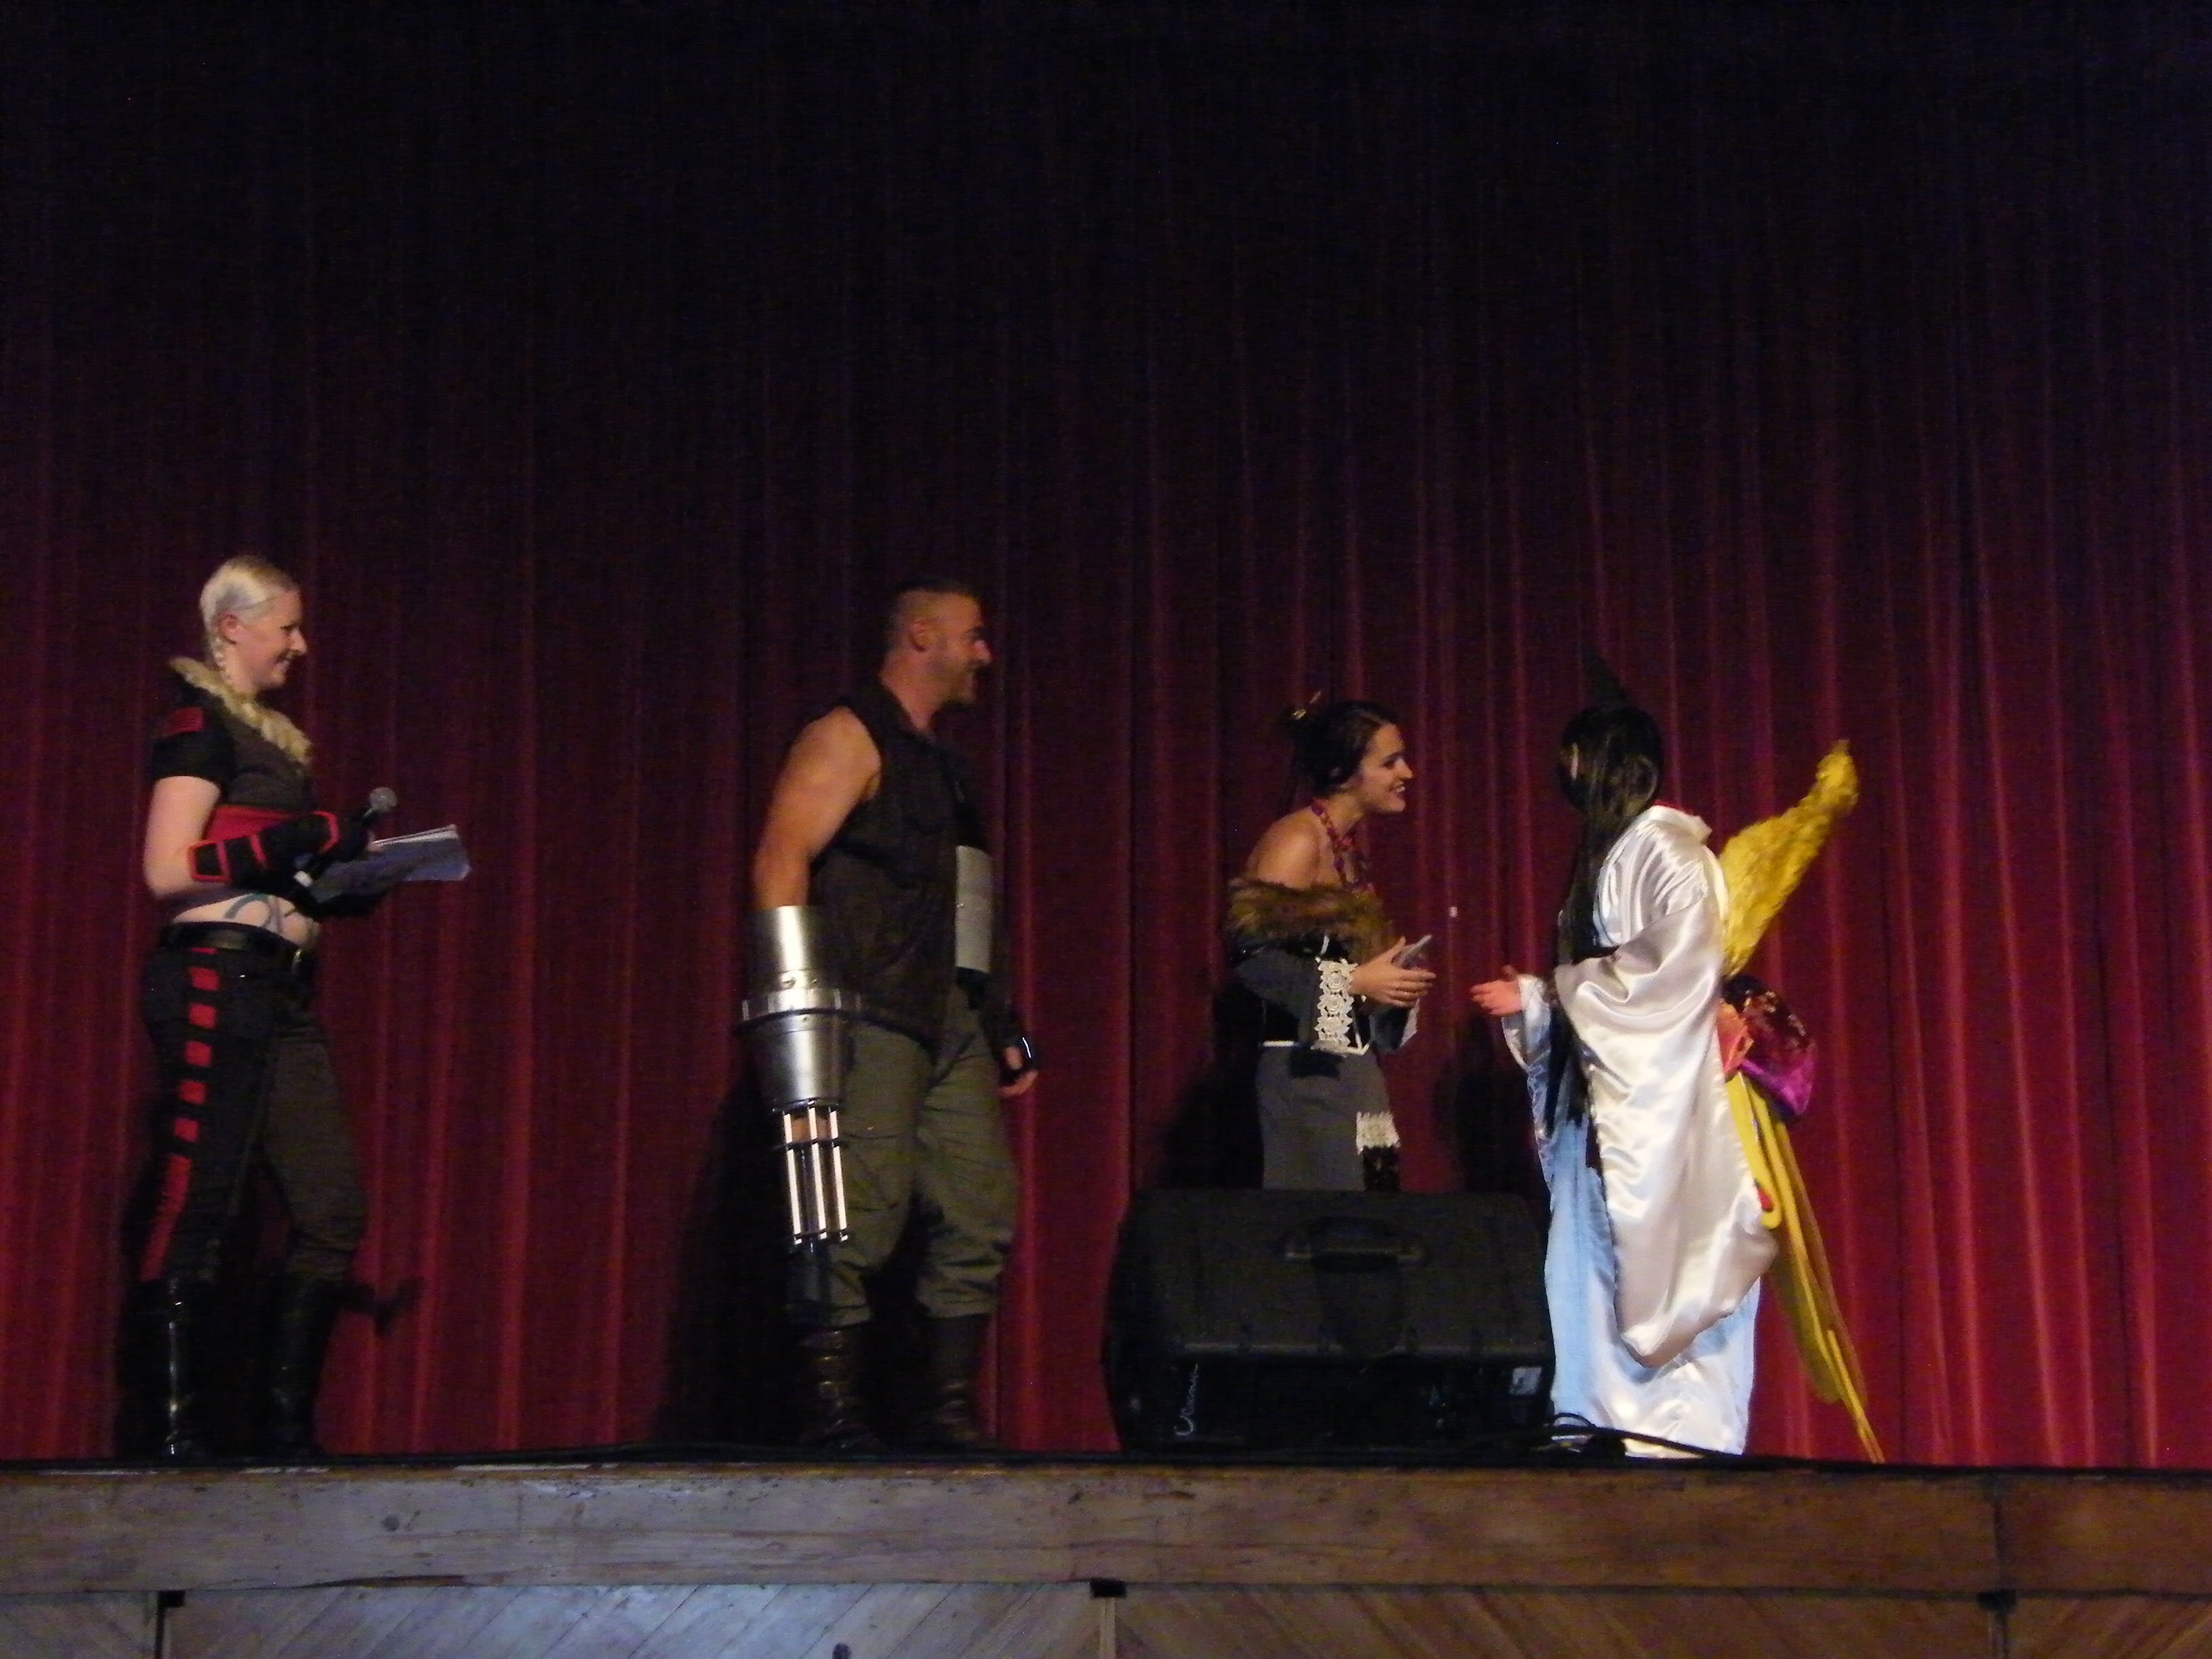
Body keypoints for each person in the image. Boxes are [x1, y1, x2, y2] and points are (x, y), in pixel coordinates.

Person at [747, 577, 1037, 1450]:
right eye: (972, 636)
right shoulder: (849, 735)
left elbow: (965, 903)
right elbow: (781, 859)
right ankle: (832, 1419)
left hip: (951, 1016)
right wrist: (797, 1006)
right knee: (855, 1209)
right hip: (869, 1009)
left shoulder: (942, 764)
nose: (985, 654)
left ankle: (945, 1414)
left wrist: (999, 1022)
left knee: (979, 1208)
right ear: (921, 635)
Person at [1469, 699, 1774, 1455]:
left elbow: (1672, 973)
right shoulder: (1620, 852)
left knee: (1665, 1271)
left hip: (1665, 1106)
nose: (1565, 773)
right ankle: (1601, 1434)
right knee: (1592, 1279)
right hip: (1613, 1100)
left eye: (1575, 758)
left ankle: (1674, 1446)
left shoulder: (1666, 849)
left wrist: (1548, 994)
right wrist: (1543, 1005)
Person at [131, 556, 380, 1459]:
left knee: (331, 1208)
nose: (300, 645)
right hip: (215, 976)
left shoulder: (271, 742)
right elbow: (169, 869)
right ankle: (172, 1437)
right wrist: (301, 837)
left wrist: (336, 879)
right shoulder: (199, 724)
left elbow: (266, 867)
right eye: (287, 626)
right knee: (200, 1198)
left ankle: (285, 1438)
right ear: (233, 627)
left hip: (278, 987)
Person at [1225, 701, 1434, 1191]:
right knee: (1328, 1213)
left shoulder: (1343, 850)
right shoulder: (1297, 840)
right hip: (1306, 1076)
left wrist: (1390, 982)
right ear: (1343, 773)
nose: (1406, 773)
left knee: (1370, 1201)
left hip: (1349, 1070)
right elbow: (1252, 959)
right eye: (1389, 762)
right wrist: (1354, 980)